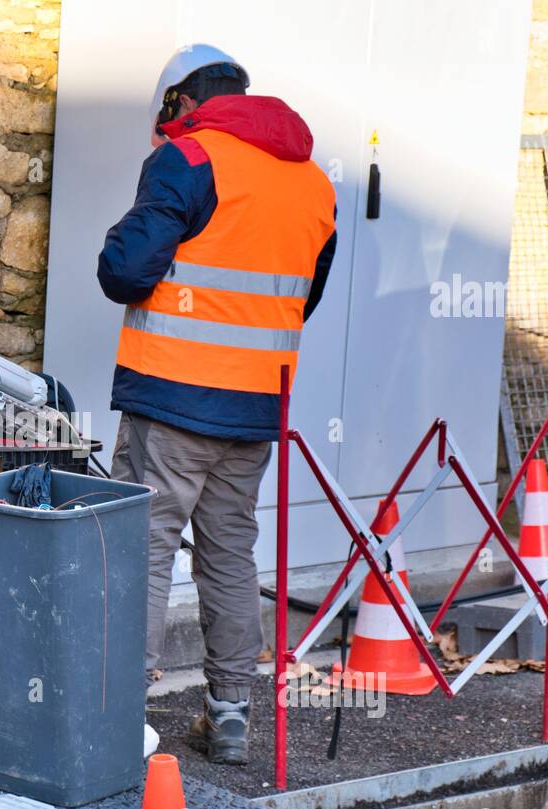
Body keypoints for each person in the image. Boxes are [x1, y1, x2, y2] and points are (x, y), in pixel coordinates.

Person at [97, 46, 337, 764]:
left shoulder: (191, 158)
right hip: (256, 405)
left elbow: (124, 271)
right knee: (230, 553)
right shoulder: (313, 182)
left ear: (180, 100)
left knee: (140, 547)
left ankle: (117, 715)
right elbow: (303, 299)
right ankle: (230, 715)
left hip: (171, 395)